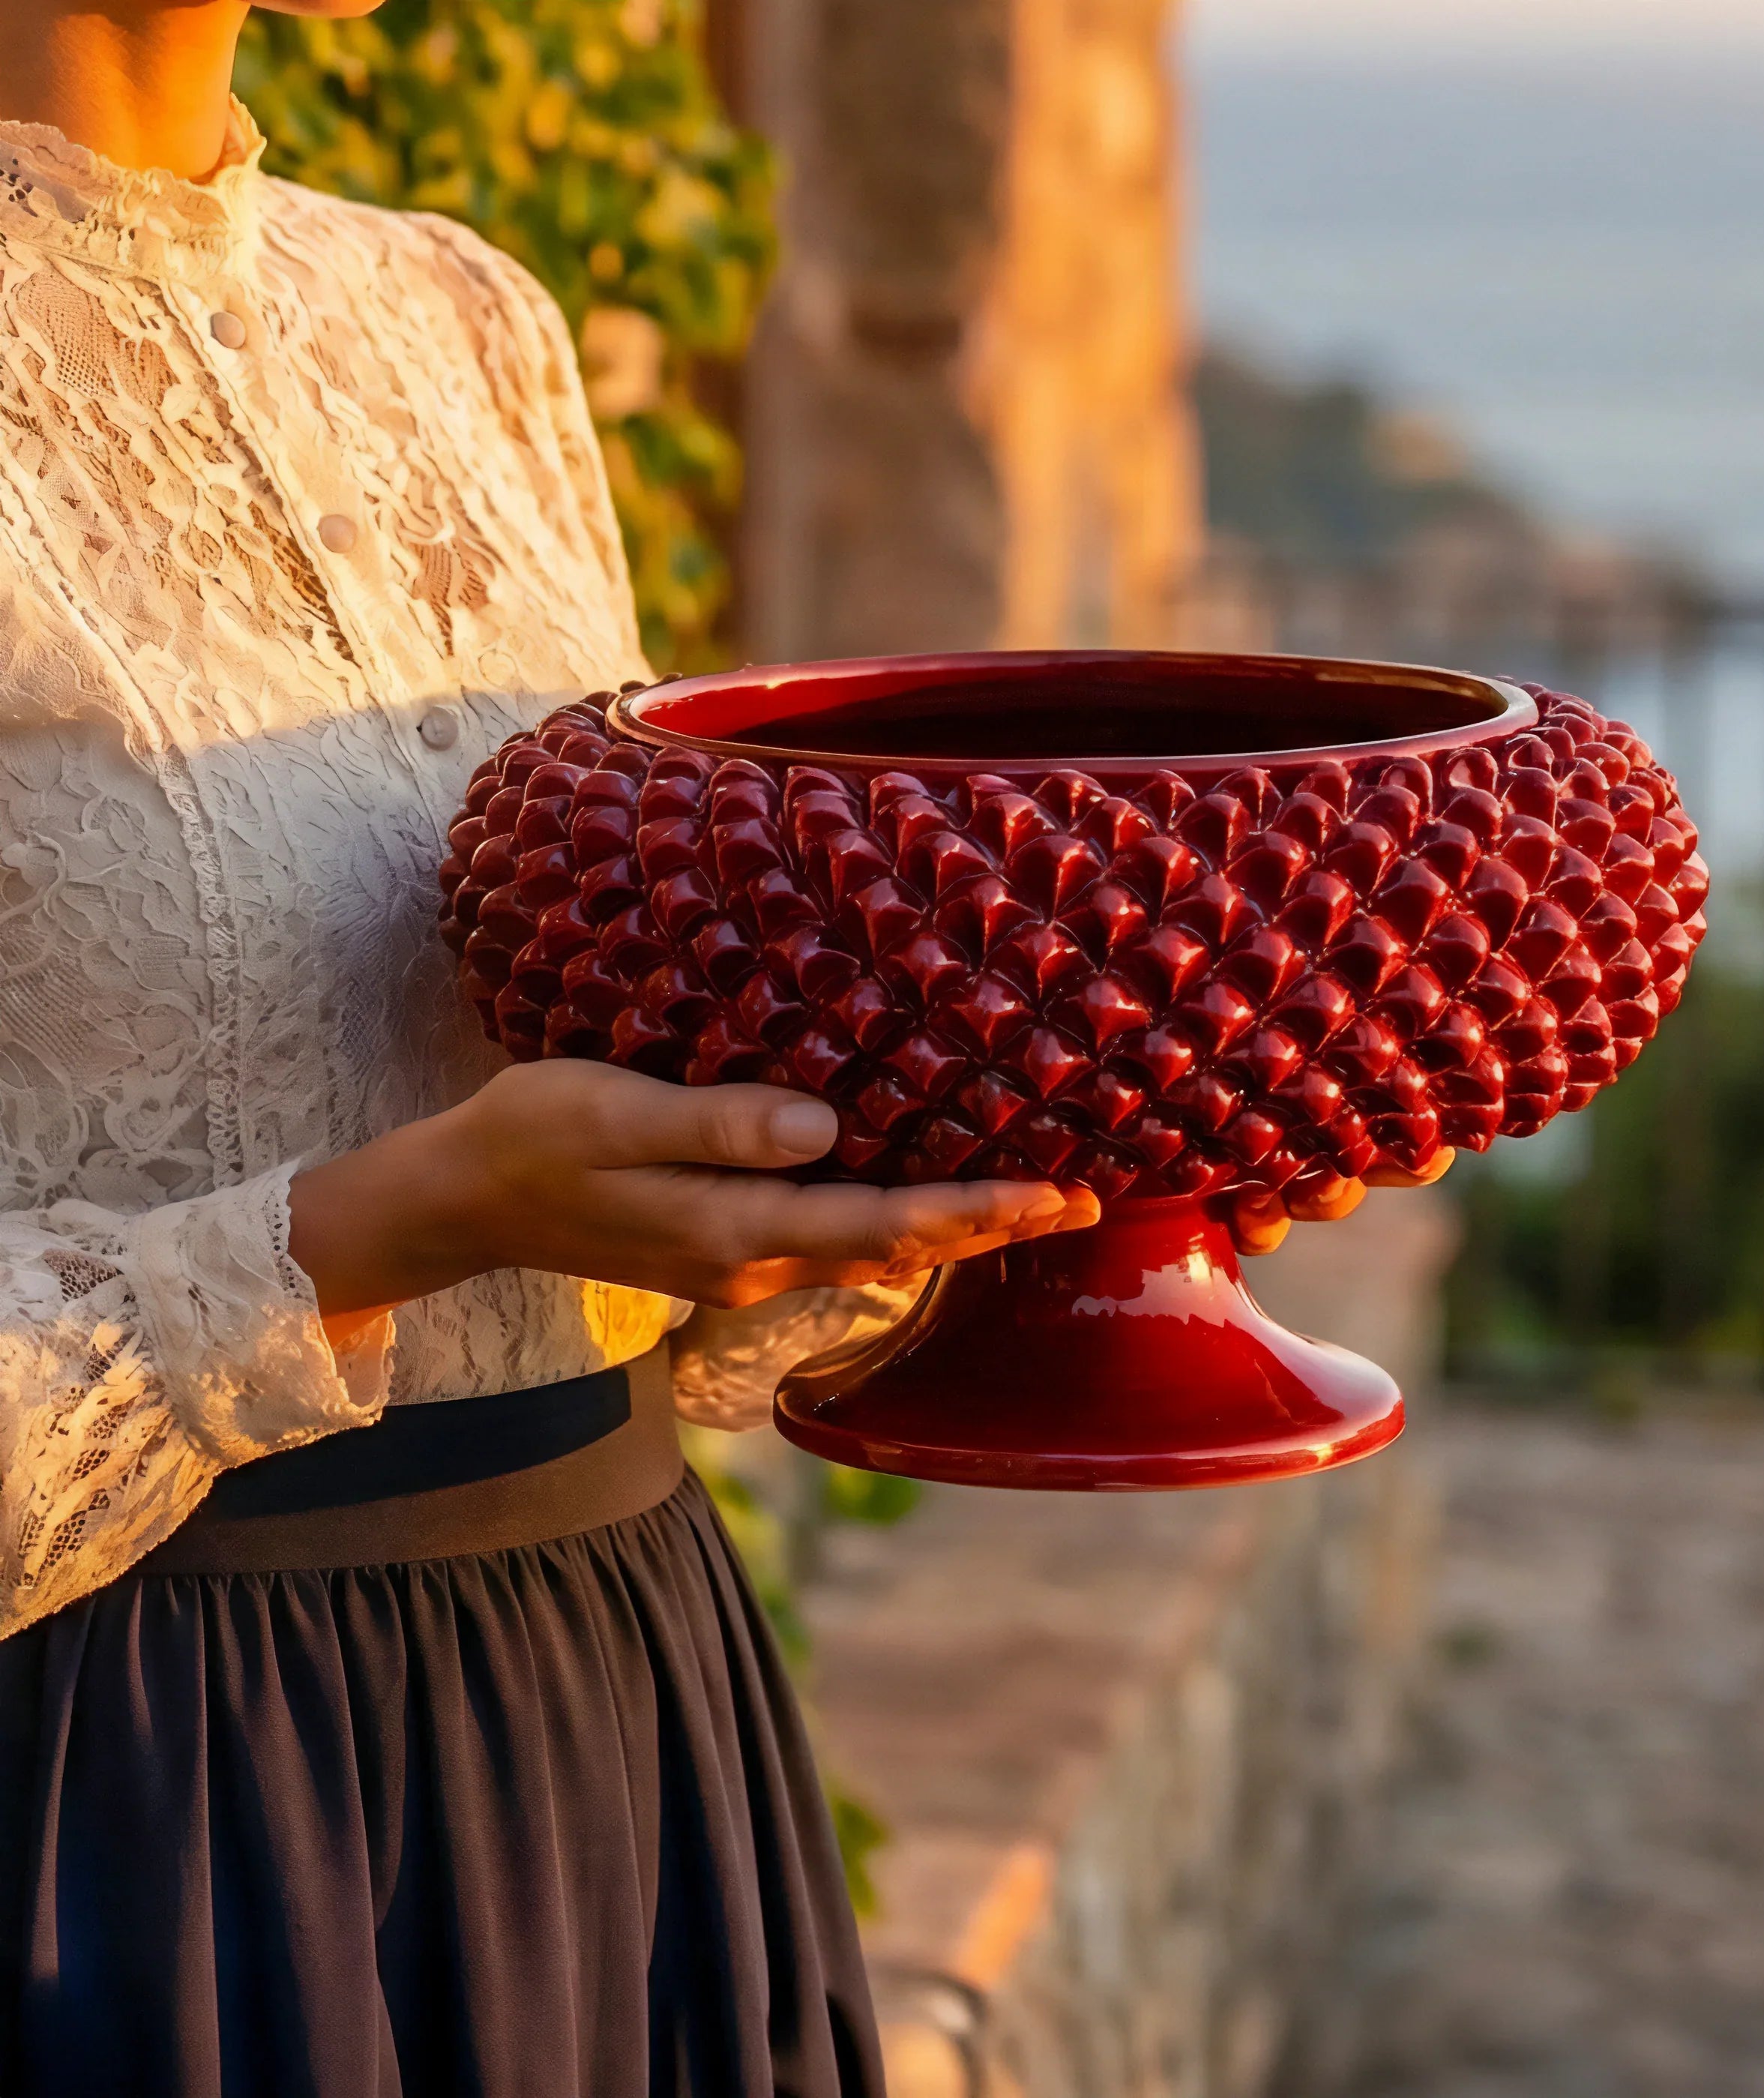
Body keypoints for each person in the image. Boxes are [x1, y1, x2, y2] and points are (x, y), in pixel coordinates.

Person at [0, 2, 1442, 2093]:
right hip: (127, 1826)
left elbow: (648, 1120)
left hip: (614, 1716)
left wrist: (1070, 1173)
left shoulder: (456, 321)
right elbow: (421, 1189)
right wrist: (361, 1237)